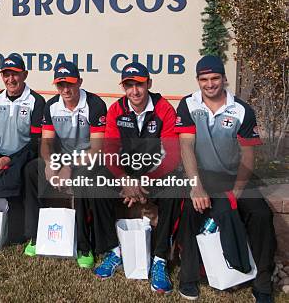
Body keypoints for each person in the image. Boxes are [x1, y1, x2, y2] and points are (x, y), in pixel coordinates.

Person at [175, 55, 276, 302]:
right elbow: (186, 147)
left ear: (224, 78)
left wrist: (236, 193)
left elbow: (248, 156)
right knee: (189, 208)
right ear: (198, 80)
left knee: (262, 214)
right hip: (202, 173)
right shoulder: (188, 105)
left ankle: (262, 282)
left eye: (215, 78)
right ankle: (188, 277)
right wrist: (196, 186)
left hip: (234, 176)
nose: (210, 84)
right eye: (204, 79)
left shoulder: (242, 110)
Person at [90, 62, 182, 295]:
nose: (135, 91)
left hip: (154, 173)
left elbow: (171, 157)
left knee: (174, 186)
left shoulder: (164, 109)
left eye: (139, 84)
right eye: (129, 85)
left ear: (148, 84)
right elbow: (110, 153)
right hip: (127, 175)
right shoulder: (115, 109)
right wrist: (125, 181)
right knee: (94, 180)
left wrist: (146, 181)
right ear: (123, 87)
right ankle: (114, 250)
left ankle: (160, 259)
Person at [22, 61, 106, 268]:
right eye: (60, 85)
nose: (66, 90)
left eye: (70, 84)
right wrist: (50, 163)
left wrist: (69, 166)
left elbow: (97, 149)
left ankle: (84, 246)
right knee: (32, 170)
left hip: (89, 160)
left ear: (80, 82)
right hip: (63, 159)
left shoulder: (95, 105)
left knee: (82, 179)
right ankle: (36, 235)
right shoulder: (51, 106)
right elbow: (46, 142)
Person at [0, 54, 45, 240]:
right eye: (6, 74)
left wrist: (8, 160)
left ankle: (10, 229)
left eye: (15, 74)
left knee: (10, 181)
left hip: (23, 155)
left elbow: (36, 142)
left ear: (25, 75)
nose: (10, 79)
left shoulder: (36, 102)